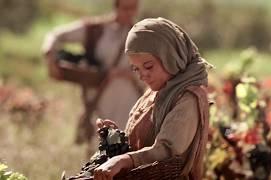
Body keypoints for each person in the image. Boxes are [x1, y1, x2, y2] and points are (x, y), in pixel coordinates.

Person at [93, 17, 211, 180]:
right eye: (136, 69)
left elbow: (167, 150)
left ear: (171, 56)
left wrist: (123, 160)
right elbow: (140, 145)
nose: (142, 75)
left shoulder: (188, 99)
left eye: (148, 66)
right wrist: (115, 139)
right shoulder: (155, 91)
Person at [42, 0, 143, 144]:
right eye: (125, 8)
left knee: (125, 149)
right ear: (116, 6)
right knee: (98, 150)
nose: (130, 13)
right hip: (98, 98)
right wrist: (50, 58)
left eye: (133, 8)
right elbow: (55, 35)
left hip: (128, 103)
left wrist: (128, 74)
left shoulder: (142, 34)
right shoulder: (96, 29)